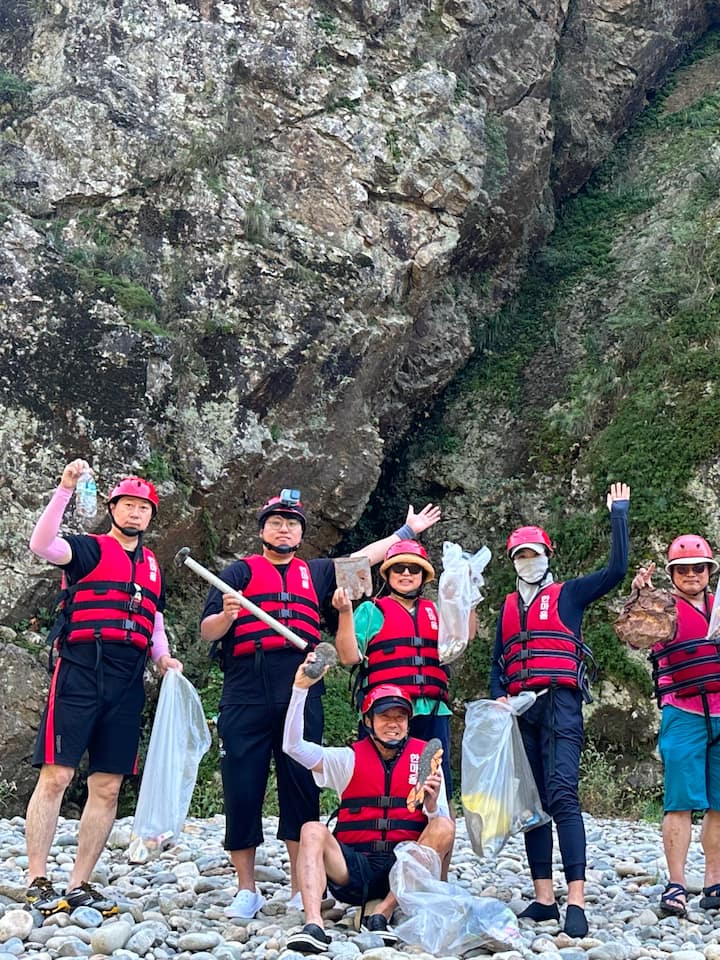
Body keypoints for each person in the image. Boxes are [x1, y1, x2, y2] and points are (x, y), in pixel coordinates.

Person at [199, 491, 441, 919]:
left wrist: (408, 532)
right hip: (246, 690)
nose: (284, 528)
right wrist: (229, 616)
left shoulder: (316, 573)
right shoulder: (238, 572)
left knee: (300, 786)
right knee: (243, 787)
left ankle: (299, 887)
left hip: (301, 688)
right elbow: (208, 631)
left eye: (292, 523)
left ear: (301, 534)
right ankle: (246, 888)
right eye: (276, 522)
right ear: (262, 530)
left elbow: (364, 558)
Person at [25, 458, 182, 917]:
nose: (135, 514)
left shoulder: (153, 565)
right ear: (112, 508)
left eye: (143, 508)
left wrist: (163, 658)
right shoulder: (87, 549)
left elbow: (153, 620)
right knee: (56, 775)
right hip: (80, 670)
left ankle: (79, 883)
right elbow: (41, 543)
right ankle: (37, 877)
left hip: (127, 679)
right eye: (128, 505)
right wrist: (65, 489)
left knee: (109, 785)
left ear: (151, 516)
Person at [489, 482, 630, 938]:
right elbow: (498, 663)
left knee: (562, 796)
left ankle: (576, 899)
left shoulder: (569, 595)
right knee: (533, 806)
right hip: (520, 712)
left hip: (561, 704)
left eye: (535, 553)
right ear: (514, 562)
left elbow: (615, 570)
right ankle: (544, 898)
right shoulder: (508, 607)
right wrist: (497, 699)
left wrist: (619, 515)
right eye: (521, 556)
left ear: (547, 555)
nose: (529, 561)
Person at [282, 661, 455, 954]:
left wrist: (431, 805)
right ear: (368, 721)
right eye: (384, 715)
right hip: (354, 870)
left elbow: (442, 833)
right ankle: (314, 925)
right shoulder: (346, 759)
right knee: (311, 829)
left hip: (402, 873)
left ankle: (382, 914)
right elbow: (293, 747)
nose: (393, 723)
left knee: (444, 825)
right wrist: (300, 690)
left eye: (400, 717)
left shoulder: (426, 758)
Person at [334, 539, 476, 804]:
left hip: (433, 711)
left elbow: (462, 639)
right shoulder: (370, 610)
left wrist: (470, 594)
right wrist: (344, 612)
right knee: (383, 783)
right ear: (387, 574)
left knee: (437, 788)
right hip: (386, 712)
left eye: (414, 568)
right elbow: (348, 656)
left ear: (423, 576)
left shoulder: (435, 610)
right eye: (399, 569)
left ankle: (436, 842)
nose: (406, 574)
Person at [631, 534, 720, 919]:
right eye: (682, 570)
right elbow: (634, 633)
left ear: (709, 571)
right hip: (683, 712)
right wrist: (639, 597)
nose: (691, 575)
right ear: (672, 574)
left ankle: (715, 882)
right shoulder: (660, 608)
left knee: (719, 804)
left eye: (698, 568)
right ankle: (677, 883)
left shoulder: (719, 607)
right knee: (680, 802)